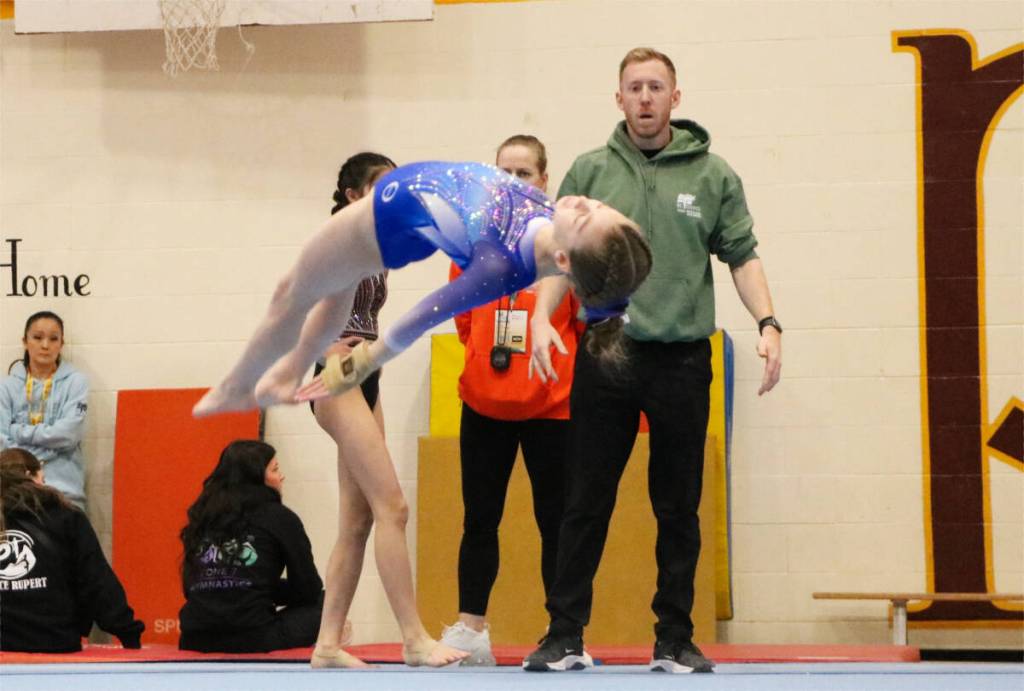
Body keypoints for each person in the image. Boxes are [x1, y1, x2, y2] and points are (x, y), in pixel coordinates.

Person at [523, 47, 783, 674]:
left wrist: (768, 322)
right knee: (583, 499)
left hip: (683, 359)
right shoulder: (588, 170)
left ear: (675, 98)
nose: (644, 97)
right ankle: (564, 633)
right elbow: (557, 257)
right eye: (634, 88)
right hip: (605, 352)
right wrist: (538, 316)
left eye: (655, 87)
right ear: (618, 99)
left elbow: (742, 257)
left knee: (678, 504)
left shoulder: (713, 175)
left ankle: (673, 637)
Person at [191, 161, 652, 417]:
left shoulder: (501, 266)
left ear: (567, 258)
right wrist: (540, 318)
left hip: (384, 222)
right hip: (405, 221)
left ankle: (237, 385)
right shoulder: (551, 230)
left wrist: (348, 371)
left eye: (587, 217)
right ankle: (286, 371)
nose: (583, 201)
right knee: (338, 291)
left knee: (290, 292)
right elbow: (563, 269)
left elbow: (419, 320)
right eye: (598, 204)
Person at [305, 152, 465, 669]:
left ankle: (327, 645)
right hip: (337, 376)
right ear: (353, 196)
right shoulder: (341, 238)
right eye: (383, 187)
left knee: (357, 519)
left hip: (363, 376)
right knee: (392, 506)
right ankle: (414, 638)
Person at [439, 136, 581, 666]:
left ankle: (561, 627)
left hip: (552, 407)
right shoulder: (470, 243)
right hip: (484, 407)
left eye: (525, 173)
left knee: (556, 521)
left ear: (545, 180)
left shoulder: (563, 244)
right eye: (505, 172)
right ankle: (472, 628)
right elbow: (463, 322)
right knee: (479, 520)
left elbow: (581, 321)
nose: (515, 181)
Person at [178, 440, 324, 653]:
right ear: (257, 477)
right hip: (254, 639)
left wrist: (253, 585)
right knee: (326, 602)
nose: (281, 476)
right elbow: (308, 588)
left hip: (194, 640)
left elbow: (190, 586)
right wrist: (257, 587)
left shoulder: (203, 516)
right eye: (275, 470)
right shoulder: (280, 517)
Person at [0, 447, 144, 652]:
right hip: (54, 641)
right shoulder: (65, 516)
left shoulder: (65, 516)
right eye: (43, 478)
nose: (44, 483)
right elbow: (96, 582)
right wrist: (129, 634)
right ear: (30, 475)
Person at [1, 311, 89, 510]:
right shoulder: (5, 387)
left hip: (66, 493)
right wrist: (51, 443)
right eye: (37, 337)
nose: (45, 345)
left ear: (61, 344)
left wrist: (18, 432)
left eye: (53, 338)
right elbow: (3, 444)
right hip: (16, 491)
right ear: (25, 341)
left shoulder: (77, 382)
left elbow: (68, 436)